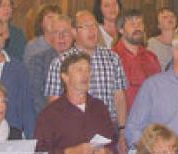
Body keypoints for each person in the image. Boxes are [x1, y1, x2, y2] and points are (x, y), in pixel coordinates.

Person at [35, 53, 117, 154]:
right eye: (79, 69)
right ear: (65, 77)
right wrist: (72, 152)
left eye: (88, 70)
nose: (85, 74)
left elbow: (113, 148)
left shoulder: (100, 108)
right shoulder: (50, 114)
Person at [44, 10, 128, 138]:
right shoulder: (60, 62)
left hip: (109, 127)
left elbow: (120, 98)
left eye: (94, 25)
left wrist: (122, 131)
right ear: (74, 32)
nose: (92, 30)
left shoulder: (112, 57)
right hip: (74, 129)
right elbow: (54, 104)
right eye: (86, 26)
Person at [24, 12, 74, 114]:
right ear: (50, 37)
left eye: (65, 32)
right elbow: (36, 98)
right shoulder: (37, 61)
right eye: (56, 33)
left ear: (73, 35)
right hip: (49, 119)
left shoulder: (82, 60)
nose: (61, 37)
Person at [112, 9, 161, 109]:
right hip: (122, 121)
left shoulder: (151, 57)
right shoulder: (112, 58)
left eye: (140, 23)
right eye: (132, 24)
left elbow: (159, 90)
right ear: (120, 29)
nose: (137, 27)